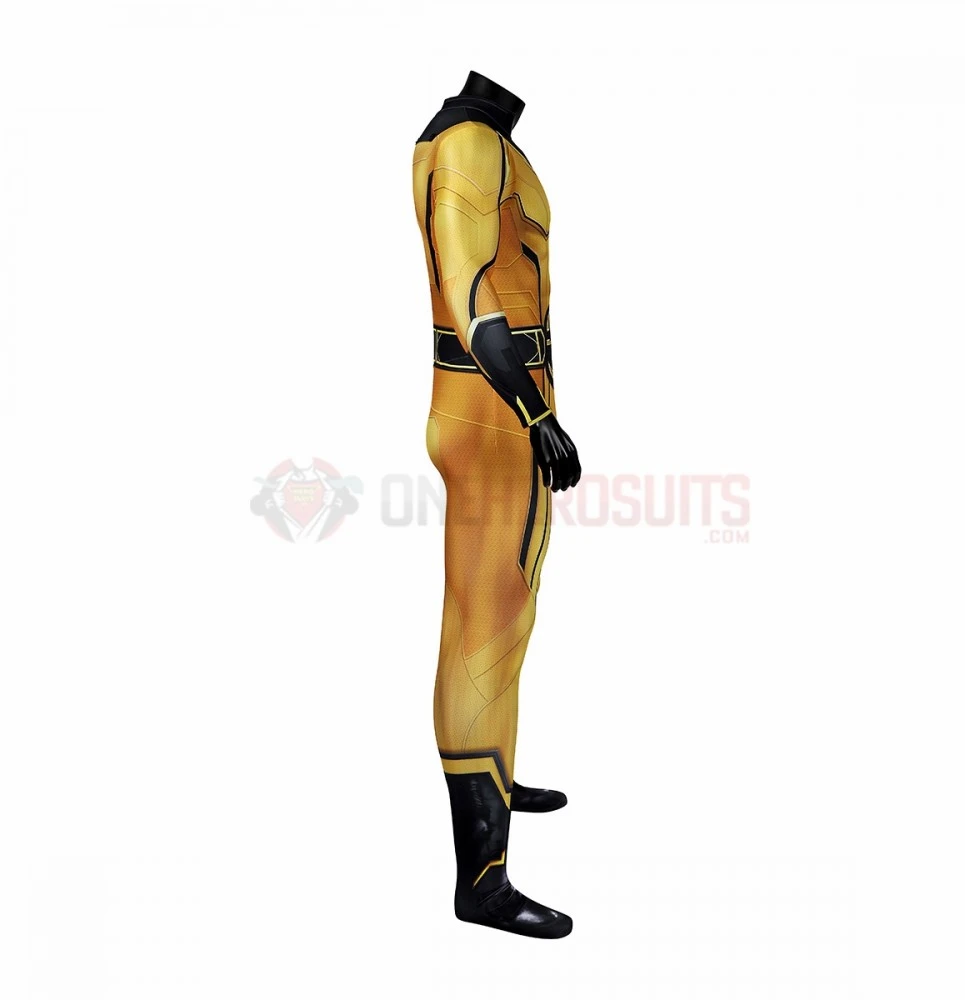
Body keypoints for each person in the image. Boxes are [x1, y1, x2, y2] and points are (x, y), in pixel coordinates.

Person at [412, 70, 582, 938]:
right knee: (488, 626)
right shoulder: (472, 144)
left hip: (485, 407)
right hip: (494, 411)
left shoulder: (464, 136)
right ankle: (482, 882)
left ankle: (495, 779)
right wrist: (535, 414)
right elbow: (471, 290)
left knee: (492, 616)